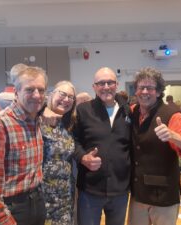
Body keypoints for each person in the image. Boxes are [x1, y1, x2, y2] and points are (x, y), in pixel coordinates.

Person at [128, 67, 181, 225]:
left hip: (163, 196)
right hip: (138, 194)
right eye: (141, 87)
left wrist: (174, 136)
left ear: (158, 92)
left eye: (150, 88)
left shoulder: (172, 115)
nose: (144, 91)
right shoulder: (133, 112)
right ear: (135, 91)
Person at [0, 67, 48, 225]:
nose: (36, 95)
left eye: (41, 90)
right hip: (12, 210)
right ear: (16, 92)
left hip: (36, 202)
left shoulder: (36, 122)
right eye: (29, 89)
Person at [74, 67, 131, 225]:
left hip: (120, 190)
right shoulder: (83, 110)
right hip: (90, 189)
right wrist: (82, 157)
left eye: (110, 82)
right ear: (94, 87)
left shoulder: (128, 111)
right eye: (101, 83)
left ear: (116, 84)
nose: (106, 86)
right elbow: (73, 140)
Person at [41, 81, 77, 225]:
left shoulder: (69, 124)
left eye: (71, 97)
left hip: (66, 195)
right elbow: (1, 98)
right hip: (44, 196)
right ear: (51, 94)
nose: (66, 99)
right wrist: (42, 108)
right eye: (62, 94)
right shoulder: (38, 119)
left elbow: (87, 99)